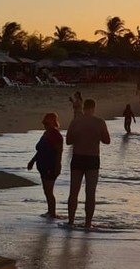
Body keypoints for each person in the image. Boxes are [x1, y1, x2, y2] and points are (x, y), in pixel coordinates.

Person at [65, 98, 111, 228]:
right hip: (92, 158)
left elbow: (68, 141)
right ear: (94, 108)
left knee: (74, 191)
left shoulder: (75, 121)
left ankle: (71, 221)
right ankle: (88, 223)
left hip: (78, 157)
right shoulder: (99, 122)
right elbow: (107, 140)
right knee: (90, 193)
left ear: (84, 108)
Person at [27, 112, 63, 218]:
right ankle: (50, 211)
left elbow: (59, 153)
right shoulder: (45, 133)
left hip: (50, 166)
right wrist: (32, 161)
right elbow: (40, 150)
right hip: (42, 165)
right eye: (44, 123)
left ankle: (52, 213)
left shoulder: (56, 135)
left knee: (49, 190)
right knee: (46, 190)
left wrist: (57, 167)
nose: (45, 125)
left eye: (48, 123)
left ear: (53, 123)